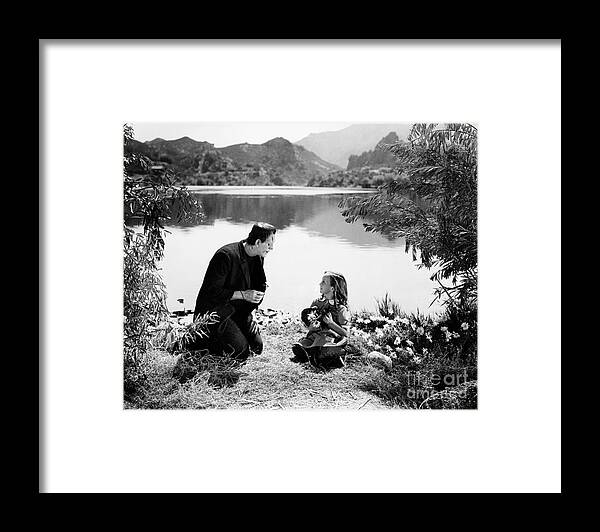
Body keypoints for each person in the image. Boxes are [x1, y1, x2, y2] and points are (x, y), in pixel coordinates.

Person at [189, 222, 277, 361]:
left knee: (257, 347)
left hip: (238, 312)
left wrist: (253, 307)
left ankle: (229, 335)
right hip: (215, 313)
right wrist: (243, 295)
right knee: (240, 352)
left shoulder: (258, 256)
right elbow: (212, 292)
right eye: (269, 244)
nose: (272, 247)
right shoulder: (225, 256)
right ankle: (198, 339)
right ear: (258, 242)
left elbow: (257, 284)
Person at [291, 271, 350, 369]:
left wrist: (331, 323)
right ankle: (314, 353)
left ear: (332, 288)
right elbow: (309, 325)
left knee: (321, 343)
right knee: (301, 344)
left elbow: (346, 334)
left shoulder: (341, 308)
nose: (320, 284)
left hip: (329, 338)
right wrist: (311, 327)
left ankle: (324, 354)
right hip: (314, 336)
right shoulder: (316, 303)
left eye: (324, 282)